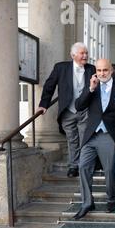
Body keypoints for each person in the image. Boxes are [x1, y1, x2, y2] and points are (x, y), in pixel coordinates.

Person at [73, 59, 115, 220]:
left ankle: (112, 200)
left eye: (105, 70)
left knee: (109, 171)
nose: (102, 73)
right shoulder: (92, 88)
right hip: (91, 136)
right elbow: (79, 106)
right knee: (83, 166)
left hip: (109, 136)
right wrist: (90, 89)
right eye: (99, 70)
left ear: (111, 70)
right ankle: (86, 202)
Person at [37, 42, 96, 178]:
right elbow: (49, 86)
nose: (85, 56)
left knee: (84, 139)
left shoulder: (91, 69)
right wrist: (43, 104)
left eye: (86, 53)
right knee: (72, 139)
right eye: (82, 53)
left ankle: (83, 166)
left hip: (85, 110)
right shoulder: (61, 68)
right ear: (73, 55)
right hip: (67, 110)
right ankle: (73, 165)